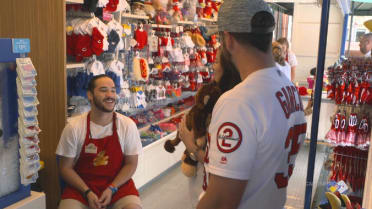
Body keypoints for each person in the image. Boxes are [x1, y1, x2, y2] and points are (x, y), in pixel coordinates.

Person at [179, 0, 307, 208]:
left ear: (228, 40)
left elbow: (221, 201)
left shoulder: (238, 102)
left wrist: (192, 148)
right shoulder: (288, 88)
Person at [56, 75, 142, 209]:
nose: (110, 95)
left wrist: (112, 188)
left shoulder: (127, 125)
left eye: (113, 90)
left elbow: (131, 164)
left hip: (117, 186)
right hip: (82, 188)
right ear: (90, 95)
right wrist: (87, 192)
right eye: (103, 90)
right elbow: (65, 168)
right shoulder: (74, 127)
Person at [187, 48, 242, 208]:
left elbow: (223, 164)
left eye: (217, 62)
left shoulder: (226, 103)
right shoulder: (216, 94)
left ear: (228, 67)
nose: (213, 66)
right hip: (204, 179)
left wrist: (191, 147)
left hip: (211, 187)